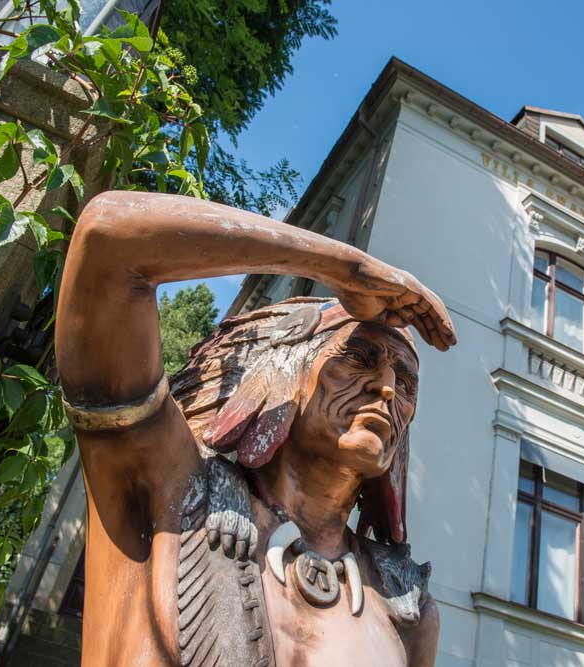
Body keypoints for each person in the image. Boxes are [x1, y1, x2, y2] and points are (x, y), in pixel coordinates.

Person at [55, 191, 457, 666]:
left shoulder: (407, 607)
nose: (387, 388)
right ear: (285, 371)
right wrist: (346, 270)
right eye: (357, 358)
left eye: (405, 383)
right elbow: (106, 237)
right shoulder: (168, 484)